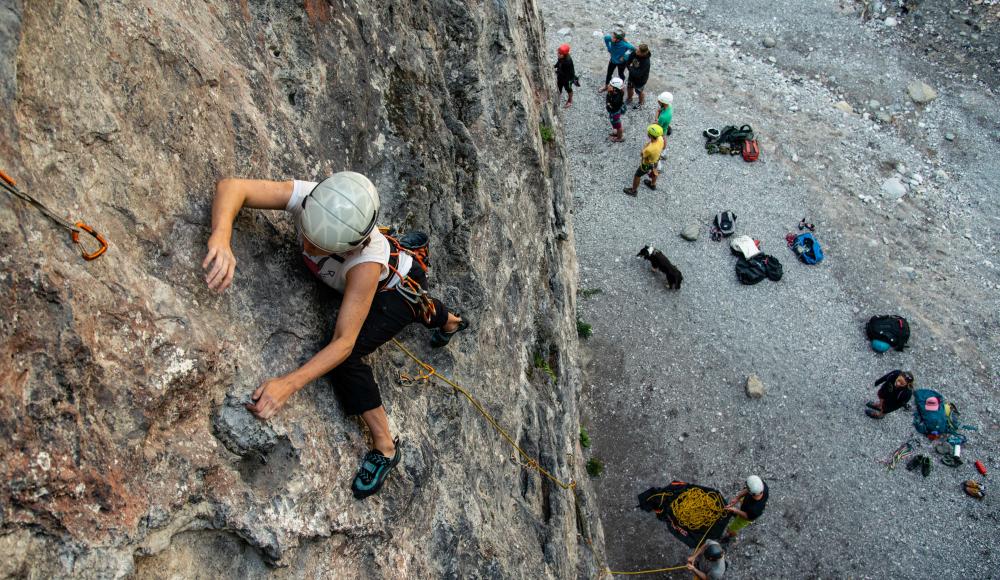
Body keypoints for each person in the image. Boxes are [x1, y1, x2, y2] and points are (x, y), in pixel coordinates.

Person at [202, 174, 468, 499]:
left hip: (392, 291)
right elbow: (234, 187)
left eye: (321, 245)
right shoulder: (318, 200)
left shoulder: (364, 266)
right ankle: (450, 321)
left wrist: (289, 384)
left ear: (353, 246)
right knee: (421, 303)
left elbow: (343, 343)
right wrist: (221, 236)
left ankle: (385, 448)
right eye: (308, 236)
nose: (308, 246)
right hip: (398, 269)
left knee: (351, 358)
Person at [623, 124, 664, 195]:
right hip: (656, 160)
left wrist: (644, 148)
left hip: (647, 163)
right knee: (655, 170)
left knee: (637, 175)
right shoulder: (660, 139)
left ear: (650, 135)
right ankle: (652, 184)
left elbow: (642, 154)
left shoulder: (649, 149)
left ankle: (633, 191)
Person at [723, 475, 768, 540]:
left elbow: (747, 517)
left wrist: (735, 510)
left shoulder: (755, 510)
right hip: (747, 506)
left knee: (731, 529)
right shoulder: (763, 486)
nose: (745, 488)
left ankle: (731, 536)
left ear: (751, 493)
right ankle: (738, 513)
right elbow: (747, 490)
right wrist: (737, 498)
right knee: (743, 505)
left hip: (746, 517)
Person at [625, 44, 651, 109]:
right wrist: (629, 67)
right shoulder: (635, 52)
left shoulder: (646, 62)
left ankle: (641, 102)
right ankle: (629, 98)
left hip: (640, 80)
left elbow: (637, 74)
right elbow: (628, 61)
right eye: (637, 49)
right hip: (631, 77)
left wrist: (629, 67)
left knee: (639, 92)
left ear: (643, 53)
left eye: (638, 51)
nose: (636, 51)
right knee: (629, 88)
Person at [554, 43, 576, 108]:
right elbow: (558, 63)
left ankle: (570, 100)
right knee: (559, 86)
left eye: (559, 53)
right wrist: (554, 66)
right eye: (558, 52)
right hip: (561, 76)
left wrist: (556, 71)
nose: (558, 54)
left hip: (568, 78)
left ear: (563, 55)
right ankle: (558, 96)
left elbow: (564, 73)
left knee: (568, 88)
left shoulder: (567, 62)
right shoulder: (561, 57)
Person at [606, 77, 627, 142]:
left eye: (610, 85)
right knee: (615, 123)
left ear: (615, 89)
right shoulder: (614, 92)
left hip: (615, 113)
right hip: (613, 112)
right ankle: (617, 132)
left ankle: (620, 137)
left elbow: (611, 105)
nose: (608, 85)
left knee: (618, 126)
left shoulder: (616, 98)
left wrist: (608, 103)